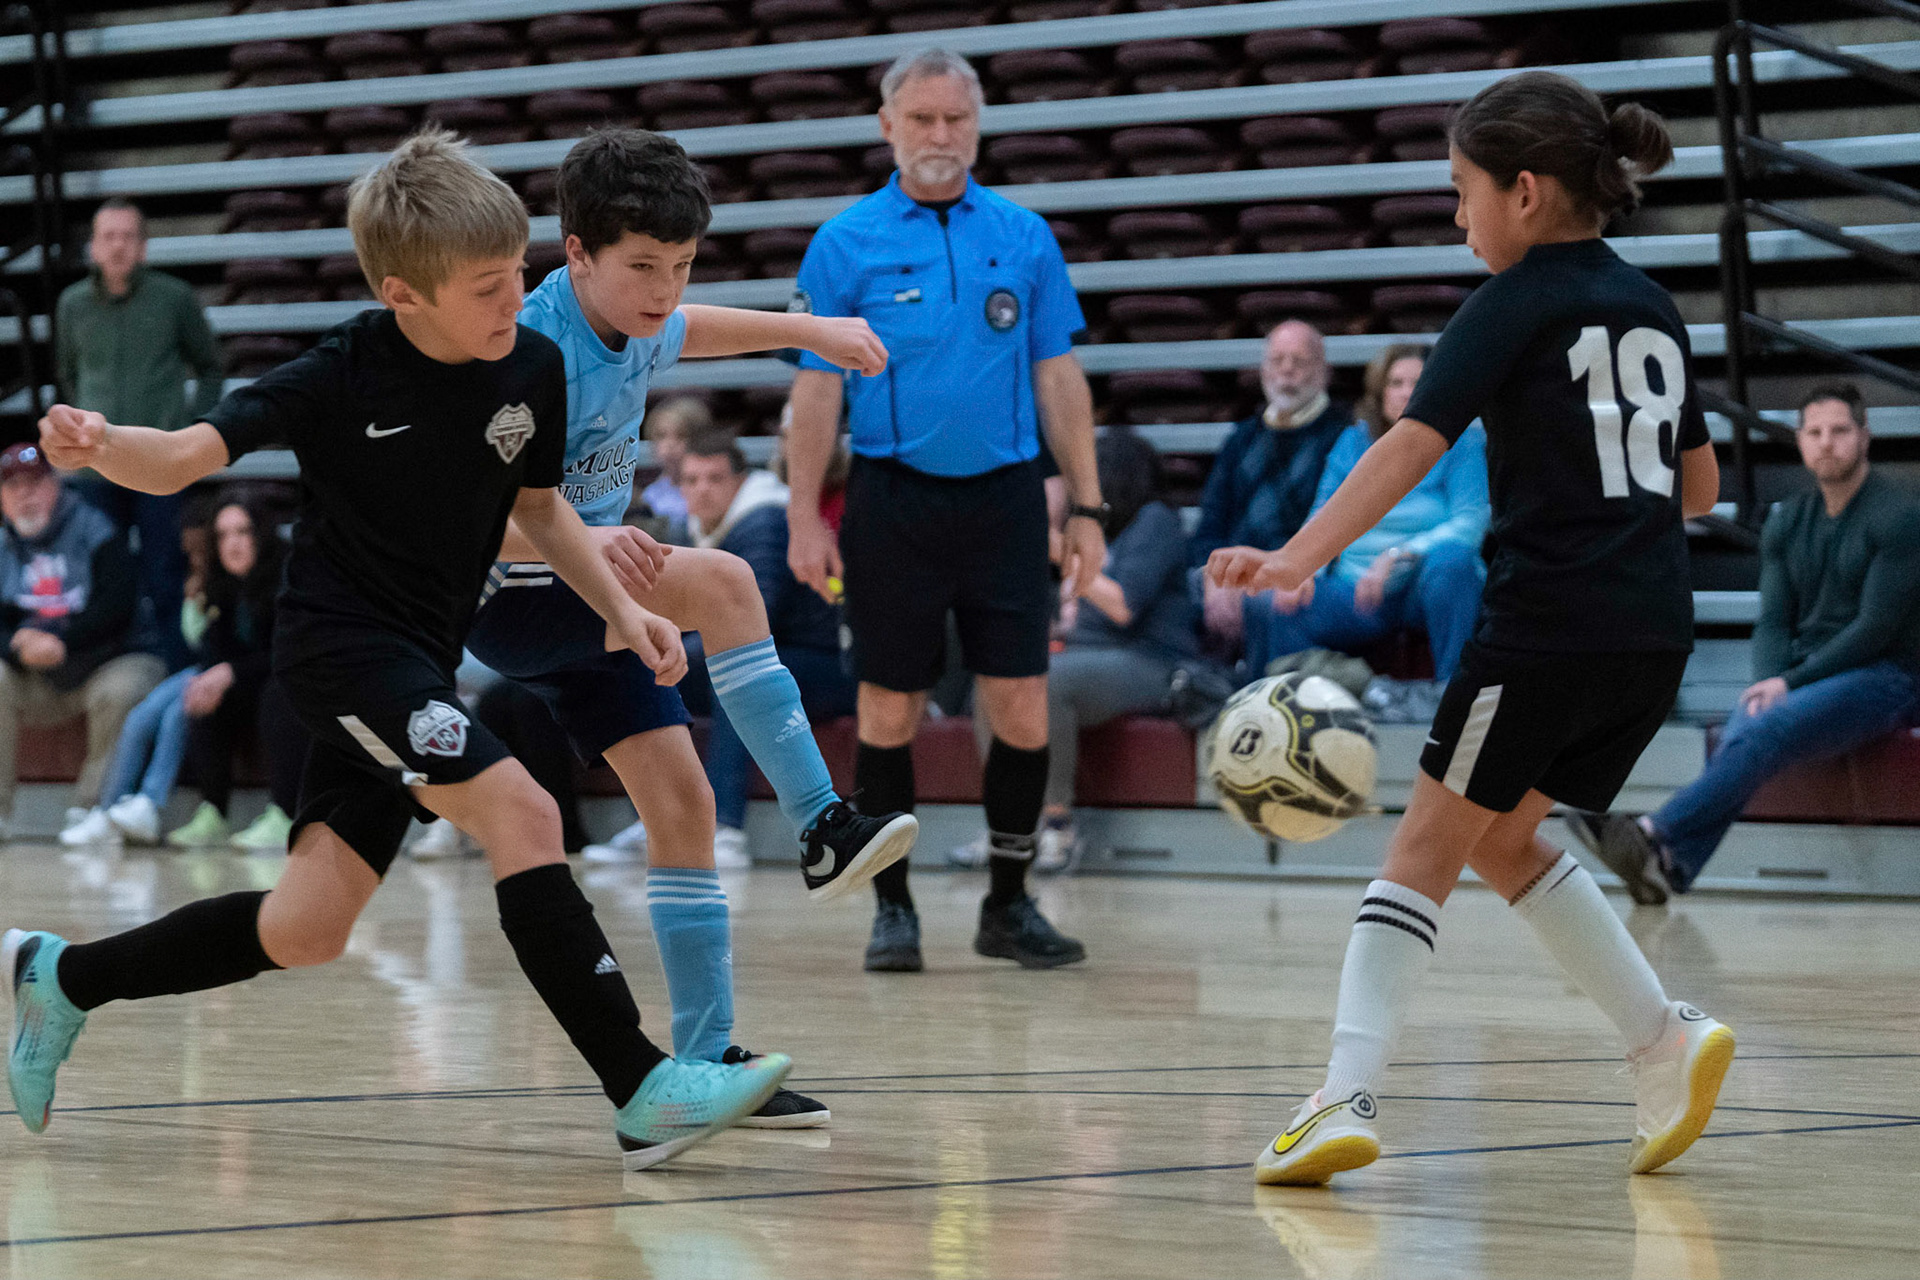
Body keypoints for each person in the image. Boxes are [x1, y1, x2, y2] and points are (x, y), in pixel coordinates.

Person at [8, 129, 790, 1169]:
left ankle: (59, 977)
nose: (515, 300)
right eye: (486, 288)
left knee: (307, 928)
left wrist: (623, 605)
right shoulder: (342, 372)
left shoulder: (534, 363)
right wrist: (104, 444)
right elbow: (186, 455)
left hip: (418, 662)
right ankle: (642, 1086)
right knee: (524, 810)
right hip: (339, 655)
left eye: (516, 273)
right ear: (403, 294)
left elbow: (542, 512)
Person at [1208, 72, 1735, 1185]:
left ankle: (1342, 1094)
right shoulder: (1652, 304)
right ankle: (1661, 1038)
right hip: (1652, 634)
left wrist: (1296, 556)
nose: (1458, 217)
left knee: (1419, 851)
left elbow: (1409, 445)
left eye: (1462, 191)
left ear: (1526, 191)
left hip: (1547, 627)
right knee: (1500, 838)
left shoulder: (1509, 303)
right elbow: (1699, 487)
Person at [470, 127, 918, 1125]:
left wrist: (813, 334)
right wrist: (585, 545)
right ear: (576, 253)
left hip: (596, 589)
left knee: (682, 805)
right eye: (644, 267)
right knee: (723, 582)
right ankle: (822, 823)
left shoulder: (639, 315)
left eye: (681, 265)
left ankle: (707, 1058)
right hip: (510, 591)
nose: (665, 289)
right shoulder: (531, 352)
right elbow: (468, 513)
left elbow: (696, 329)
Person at [786, 48, 1108, 973]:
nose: (940, 135)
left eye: (956, 119)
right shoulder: (843, 243)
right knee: (889, 708)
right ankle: (893, 911)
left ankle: (1009, 904)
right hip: (892, 502)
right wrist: (805, 515)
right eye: (922, 119)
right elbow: (815, 392)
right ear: (887, 126)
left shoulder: (1024, 236)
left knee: (1022, 704)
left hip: (1006, 501)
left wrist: (1087, 506)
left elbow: (1058, 376)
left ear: (978, 126)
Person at [1570, 383, 1920, 903]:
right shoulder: (1787, 520)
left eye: (1840, 431)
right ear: (1799, 441)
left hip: (1889, 676)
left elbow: (1877, 629)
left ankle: (1652, 832)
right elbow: (1773, 621)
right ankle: (1667, 863)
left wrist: (1789, 683)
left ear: (1865, 436)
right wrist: (1768, 682)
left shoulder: (1900, 517)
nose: (1827, 443)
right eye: (1815, 432)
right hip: (1809, 673)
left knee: (1764, 724)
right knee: (1756, 719)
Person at [1241, 344, 1489, 719]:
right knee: (1272, 600)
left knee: (1454, 562)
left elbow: (1470, 522)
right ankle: (1299, 712)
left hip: (1422, 583)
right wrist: (1304, 566)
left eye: (1416, 383)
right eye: (1395, 383)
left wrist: (1400, 555)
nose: (1405, 392)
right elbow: (1323, 512)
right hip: (1356, 589)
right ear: (1380, 392)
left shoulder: (1463, 443)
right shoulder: (1353, 441)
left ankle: (1454, 701)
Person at [56, 200, 225, 672]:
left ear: (144, 247)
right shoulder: (71, 304)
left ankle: (177, 675)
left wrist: (192, 427)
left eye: (128, 236)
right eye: (108, 236)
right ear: (93, 246)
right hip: (94, 466)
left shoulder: (174, 298)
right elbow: (68, 374)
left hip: (158, 462)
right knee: (101, 577)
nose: (118, 246)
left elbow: (211, 367)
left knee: (164, 574)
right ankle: (108, 675)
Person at [677, 431, 856, 866]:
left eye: (715, 478)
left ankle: (726, 829)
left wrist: (671, 652)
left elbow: (751, 623)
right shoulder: (692, 529)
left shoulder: (764, 521)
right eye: (692, 480)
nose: (702, 490)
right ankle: (660, 822)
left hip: (828, 666)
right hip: (780, 659)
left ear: (740, 481)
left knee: (737, 677)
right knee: (650, 685)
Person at [1032, 429, 1196, 864]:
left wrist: (1059, 550)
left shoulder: (1156, 521)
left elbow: (1123, 607)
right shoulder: (1104, 534)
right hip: (1094, 654)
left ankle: (1057, 825)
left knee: (1049, 680)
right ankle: (1008, 823)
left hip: (1153, 660)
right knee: (1003, 679)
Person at [0, 443, 165, 840]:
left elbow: (118, 608)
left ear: (56, 485)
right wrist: (16, 647)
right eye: (12, 486)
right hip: (35, 673)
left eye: (34, 484)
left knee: (125, 687)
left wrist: (62, 643)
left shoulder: (96, 528)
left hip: (104, 660)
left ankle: (93, 810)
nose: (24, 495)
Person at [1191, 320, 1353, 654]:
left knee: (1269, 604)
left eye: (1299, 361)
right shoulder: (1241, 439)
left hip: (1299, 572)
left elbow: (1338, 527)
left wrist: (1276, 574)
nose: (1287, 370)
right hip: (1235, 571)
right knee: (1175, 594)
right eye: (1277, 360)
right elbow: (1210, 525)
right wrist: (1215, 579)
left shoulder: (1342, 436)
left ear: (1323, 371)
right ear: (1263, 370)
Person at [59, 510, 213, 847]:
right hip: (201, 669)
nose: (195, 558)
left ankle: (150, 802)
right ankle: (106, 810)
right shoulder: (196, 584)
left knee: (176, 713)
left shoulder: (237, 585)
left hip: (230, 671)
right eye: (189, 551)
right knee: (139, 718)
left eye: (202, 550)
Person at [165, 494, 309, 853]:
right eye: (223, 535)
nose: (233, 543)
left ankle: (284, 815)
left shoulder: (290, 575)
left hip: (301, 682)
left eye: (243, 532)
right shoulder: (220, 584)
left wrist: (229, 671)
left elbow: (290, 654)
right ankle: (213, 812)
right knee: (202, 692)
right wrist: (214, 676)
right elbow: (214, 649)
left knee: (278, 694)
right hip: (252, 681)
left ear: (261, 534)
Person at [639, 396, 708, 533]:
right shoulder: (649, 495)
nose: (670, 445)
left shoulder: (706, 489)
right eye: (661, 436)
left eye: (681, 436)